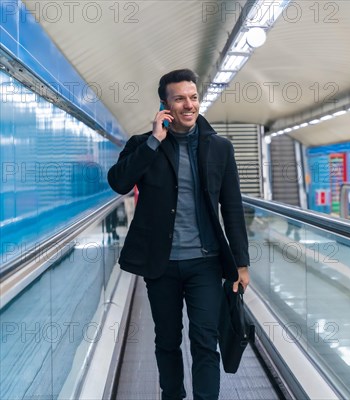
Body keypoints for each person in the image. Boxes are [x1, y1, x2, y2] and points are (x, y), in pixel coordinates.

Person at [107, 69, 250, 400]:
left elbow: (232, 207)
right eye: (180, 98)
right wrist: (154, 141)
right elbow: (119, 182)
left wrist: (241, 263)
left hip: (206, 263)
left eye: (193, 97)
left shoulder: (220, 148)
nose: (189, 105)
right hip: (162, 264)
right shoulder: (144, 145)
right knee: (167, 340)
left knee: (205, 340)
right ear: (165, 105)